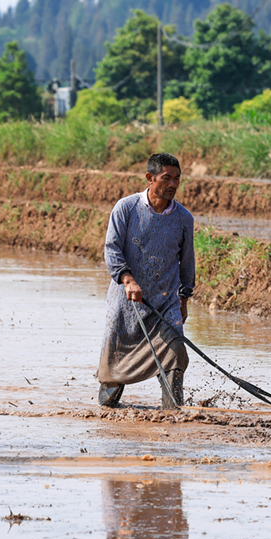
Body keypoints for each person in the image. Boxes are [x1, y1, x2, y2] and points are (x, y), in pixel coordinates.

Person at [96, 153, 195, 409]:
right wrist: (128, 280)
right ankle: (106, 413)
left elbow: (187, 262)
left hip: (165, 302)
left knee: (175, 351)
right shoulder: (126, 208)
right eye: (166, 178)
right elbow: (112, 249)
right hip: (126, 301)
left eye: (177, 178)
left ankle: (173, 413)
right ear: (150, 178)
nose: (173, 184)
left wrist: (183, 299)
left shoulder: (184, 218)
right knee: (116, 363)